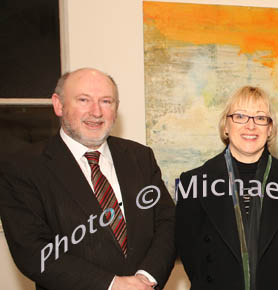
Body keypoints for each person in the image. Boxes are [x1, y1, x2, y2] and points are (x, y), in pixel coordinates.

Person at [0, 68, 175, 290]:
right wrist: (113, 285)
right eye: (84, 100)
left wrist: (147, 277)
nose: (96, 112)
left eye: (106, 101)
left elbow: (166, 223)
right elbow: (33, 251)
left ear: (116, 108)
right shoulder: (24, 168)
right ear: (58, 105)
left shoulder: (140, 157)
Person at [175, 86, 278, 290]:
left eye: (260, 118)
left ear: (270, 128)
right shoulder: (193, 182)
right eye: (240, 116)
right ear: (226, 126)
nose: (250, 126)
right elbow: (192, 259)